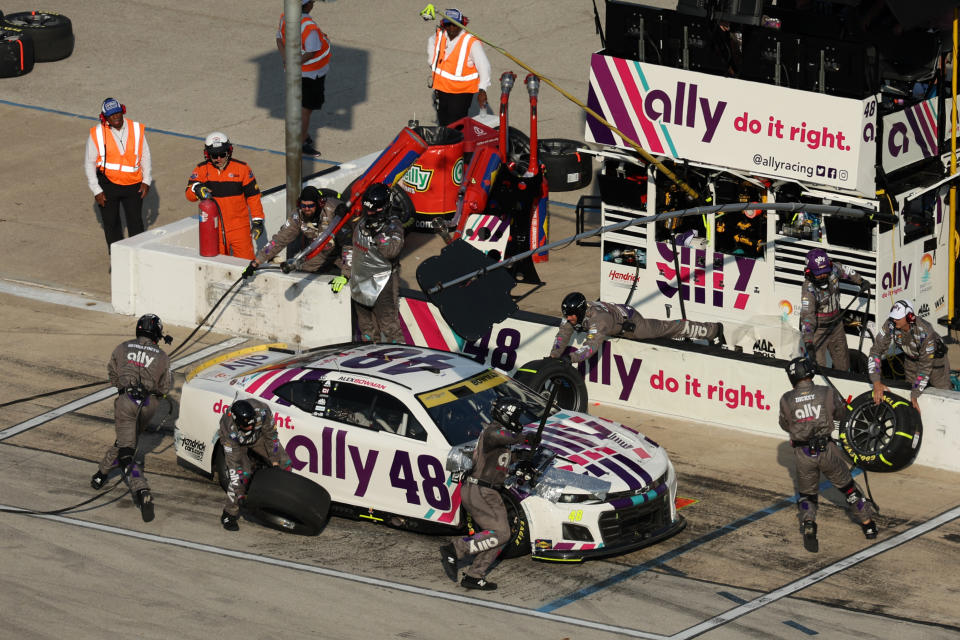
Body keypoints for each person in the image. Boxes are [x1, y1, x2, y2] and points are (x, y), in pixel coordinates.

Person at [779, 357, 877, 552]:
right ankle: (868, 526)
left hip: (803, 453)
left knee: (807, 495)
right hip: (827, 450)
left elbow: (784, 424)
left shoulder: (786, 399)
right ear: (809, 372)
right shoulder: (826, 392)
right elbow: (841, 413)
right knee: (849, 489)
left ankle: (808, 524)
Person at [90, 314, 172, 523]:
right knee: (125, 441)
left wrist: (122, 387)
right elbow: (164, 387)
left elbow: (112, 373)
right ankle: (101, 472)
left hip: (126, 402)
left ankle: (140, 489)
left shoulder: (122, 347)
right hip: (148, 406)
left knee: (127, 453)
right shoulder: (162, 356)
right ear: (156, 333)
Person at [440, 397, 526, 590]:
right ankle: (457, 548)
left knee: (501, 534)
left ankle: (474, 575)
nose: (519, 420)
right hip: (480, 490)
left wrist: (520, 457)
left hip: (487, 492)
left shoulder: (500, 438)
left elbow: (501, 460)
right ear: (507, 415)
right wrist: (525, 438)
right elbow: (505, 437)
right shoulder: (492, 432)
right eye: (516, 416)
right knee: (502, 533)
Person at [550, 291, 725, 364]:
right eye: (567, 315)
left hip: (632, 323)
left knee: (667, 329)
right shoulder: (571, 316)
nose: (569, 318)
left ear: (581, 311)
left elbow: (590, 347)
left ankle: (713, 330)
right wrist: (553, 356)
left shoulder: (598, 320)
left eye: (572, 315)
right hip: (616, 314)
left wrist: (570, 358)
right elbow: (562, 336)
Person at [332, 183, 405, 343]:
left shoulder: (394, 226)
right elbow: (351, 245)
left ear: (384, 207)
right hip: (359, 281)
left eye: (373, 210)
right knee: (366, 329)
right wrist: (345, 274)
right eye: (367, 209)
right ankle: (371, 357)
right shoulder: (361, 221)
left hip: (383, 282)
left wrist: (378, 233)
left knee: (390, 328)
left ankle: (402, 360)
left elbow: (391, 251)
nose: (369, 213)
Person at [83, 97, 152, 253]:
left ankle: (137, 256)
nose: (116, 117)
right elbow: (89, 163)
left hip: (133, 184)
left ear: (123, 111)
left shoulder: (135, 129)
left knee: (136, 224)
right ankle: (116, 258)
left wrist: (146, 180)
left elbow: (145, 155)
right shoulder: (97, 134)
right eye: (112, 115)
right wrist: (96, 190)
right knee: (111, 224)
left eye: (118, 113)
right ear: (104, 117)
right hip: (107, 185)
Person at [185, 132, 266, 261]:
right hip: (214, 229)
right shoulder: (200, 170)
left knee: (245, 264)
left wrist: (257, 221)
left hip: (240, 228)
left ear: (229, 151)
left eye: (222, 154)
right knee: (218, 264)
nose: (218, 159)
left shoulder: (242, 169)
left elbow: (253, 197)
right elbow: (189, 196)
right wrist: (196, 188)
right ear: (207, 155)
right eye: (214, 155)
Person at [218, 398, 292, 531]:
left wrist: (275, 462)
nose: (250, 427)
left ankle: (281, 503)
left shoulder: (263, 411)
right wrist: (240, 494)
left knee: (284, 463)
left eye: (252, 423)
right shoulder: (227, 427)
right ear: (236, 422)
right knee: (243, 475)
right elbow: (234, 465)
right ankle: (229, 514)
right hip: (237, 445)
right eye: (247, 426)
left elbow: (271, 437)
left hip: (259, 438)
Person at [868, 299, 951, 410]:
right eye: (893, 316)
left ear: (909, 317)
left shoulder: (926, 332)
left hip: (935, 361)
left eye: (898, 317)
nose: (894, 319)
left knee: (943, 394)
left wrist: (915, 394)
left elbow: (926, 367)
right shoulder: (890, 323)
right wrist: (876, 382)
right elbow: (875, 351)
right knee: (909, 391)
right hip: (911, 359)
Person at [800, 248, 870, 371]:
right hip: (818, 330)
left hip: (836, 325)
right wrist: (808, 343)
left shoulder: (834, 269)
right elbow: (807, 316)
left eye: (825, 271)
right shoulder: (808, 289)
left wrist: (861, 281)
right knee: (819, 368)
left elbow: (847, 270)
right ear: (809, 272)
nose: (823, 275)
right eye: (818, 273)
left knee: (843, 365)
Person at [248, 185, 346, 273]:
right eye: (304, 206)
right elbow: (279, 240)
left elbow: (350, 241)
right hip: (321, 253)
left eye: (311, 206)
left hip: (343, 251)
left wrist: (346, 274)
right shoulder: (297, 216)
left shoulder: (333, 210)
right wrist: (257, 261)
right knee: (303, 271)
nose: (307, 209)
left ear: (318, 204)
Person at [277, 0, 331, 157]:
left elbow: (279, 39)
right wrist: (294, 63)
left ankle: (302, 136)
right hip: (311, 74)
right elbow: (311, 52)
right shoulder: (309, 27)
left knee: (299, 105)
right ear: (307, 6)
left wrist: (287, 60)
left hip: (297, 72)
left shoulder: (285, 17)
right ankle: (301, 141)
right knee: (306, 109)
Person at [427, 8, 490, 126]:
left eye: (455, 25)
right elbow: (431, 41)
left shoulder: (471, 42)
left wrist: (483, 90)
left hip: (461, 93)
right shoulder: (440, 35)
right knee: (444, 122)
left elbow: (484, 66)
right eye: (448, 24)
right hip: (442, 89)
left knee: (455, 124)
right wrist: (432, 61)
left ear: (462, 24)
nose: (451, 28)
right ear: (443, 24)